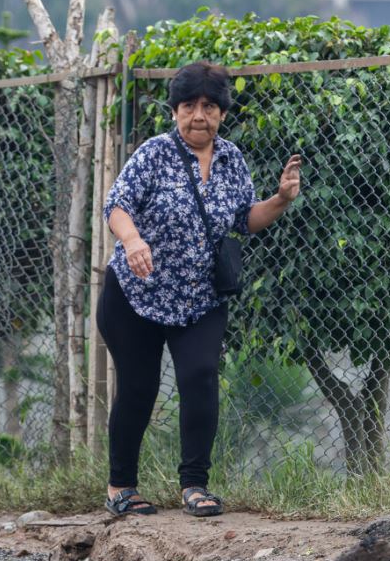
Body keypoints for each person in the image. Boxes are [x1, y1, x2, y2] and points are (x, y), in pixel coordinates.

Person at [99, 61, 302, 518]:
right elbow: (116, 205)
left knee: (200, 377)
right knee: (138, 386)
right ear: (174, 111)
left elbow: (245, 220)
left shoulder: (231, 159)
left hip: (199, 296)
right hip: (136, 294)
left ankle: (194, 485)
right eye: (189, 105)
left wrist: (281, 200)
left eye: (209, 106)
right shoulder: (153, 153)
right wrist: (132, 241)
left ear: (222, 114)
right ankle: (121, 488)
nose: (199, 115)